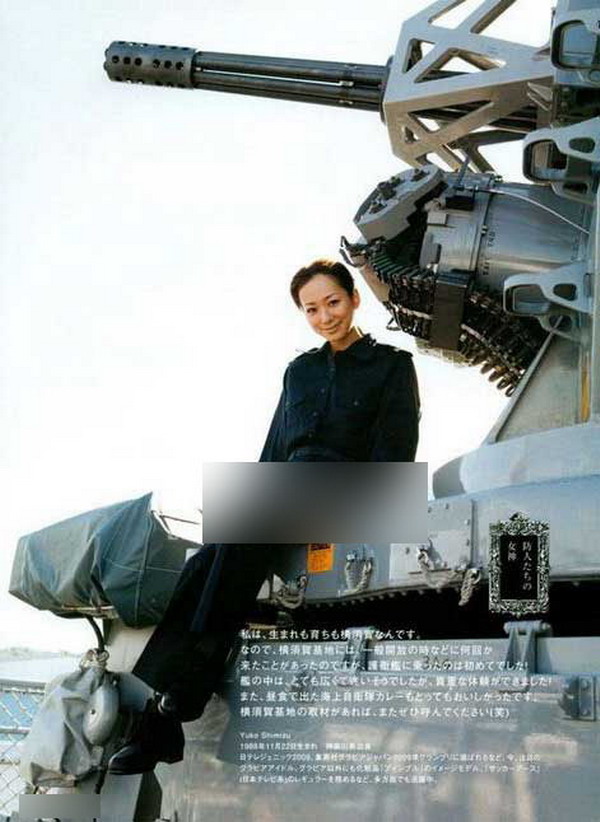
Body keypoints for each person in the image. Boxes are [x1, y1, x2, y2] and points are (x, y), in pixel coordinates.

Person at [108, 258, 420, 775]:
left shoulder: (392, 364)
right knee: (206, 559)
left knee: (236, 537)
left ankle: (166, 714)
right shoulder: (299, 372)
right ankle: (170, 707)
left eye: (333, 303)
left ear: (354, 299)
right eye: (311, 309)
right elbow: (273, 452)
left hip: (355, 491)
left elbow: (396, 458)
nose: (325, 317)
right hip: (285, 490)